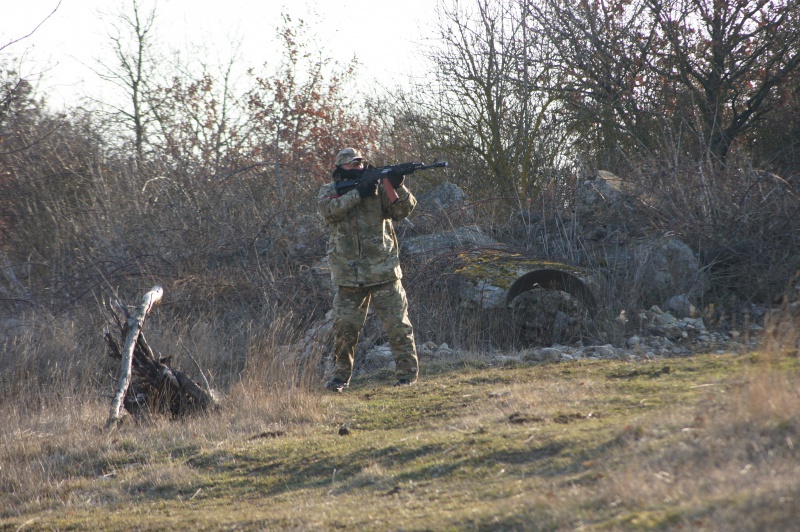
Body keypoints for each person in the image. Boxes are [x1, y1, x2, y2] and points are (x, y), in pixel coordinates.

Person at [317, 147, 419, 392]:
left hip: (383, 270)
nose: (359, 168)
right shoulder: (330, 191)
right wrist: (358, 194)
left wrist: (396, 185)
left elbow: (404, 210)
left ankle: (407, 377)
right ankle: (340, 380)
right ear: (341, 168)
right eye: (353, 165)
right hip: (348, 275)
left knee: (398, 326)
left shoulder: (380, 189)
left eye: (361, 164)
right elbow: (329, 212)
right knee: (344, 331)